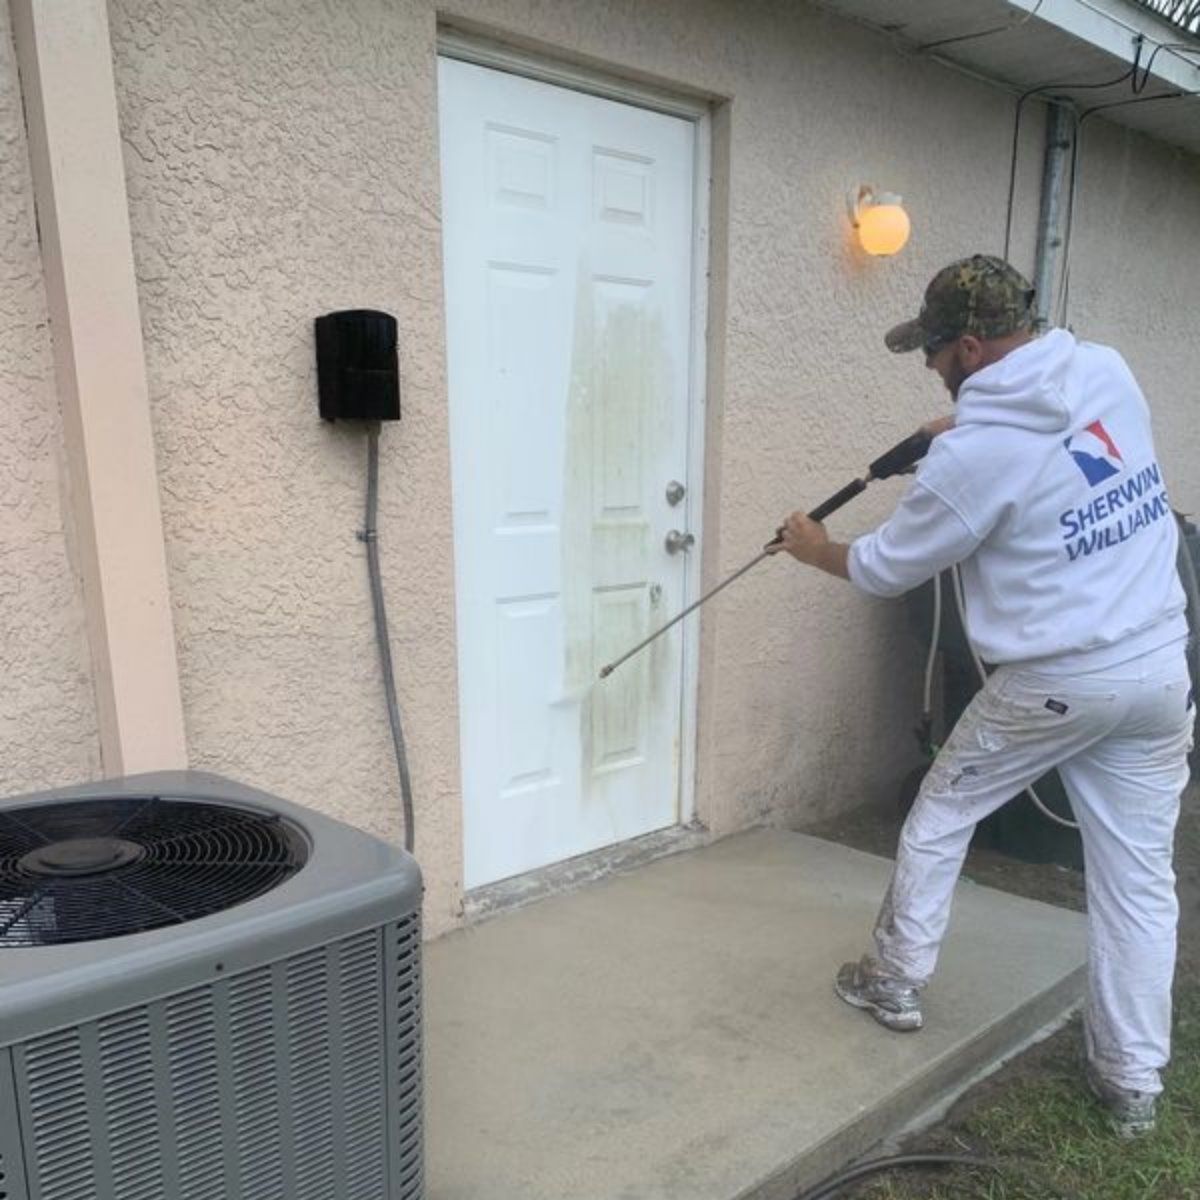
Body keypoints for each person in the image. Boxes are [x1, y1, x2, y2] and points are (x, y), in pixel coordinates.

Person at [769, 254, 1193, 1139]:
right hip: (1158, 664)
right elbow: (1031, 431)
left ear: (969, 345)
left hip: (1059, 677)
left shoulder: (976, 457)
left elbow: (885, 568)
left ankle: (891, 978)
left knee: (942, 812)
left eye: (934, 353)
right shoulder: (1101, 369)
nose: (929, 366)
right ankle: (1131, 1087)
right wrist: (955, 423)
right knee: (1137, 884)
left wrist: (814, 546)